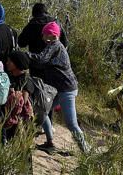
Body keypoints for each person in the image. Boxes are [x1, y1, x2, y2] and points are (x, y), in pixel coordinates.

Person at [8, 22, 87, 154]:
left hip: (66, 89)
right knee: (42, 109)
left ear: (51, 34)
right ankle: (50, 142)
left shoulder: (55, 46)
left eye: (44, 33)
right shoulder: (54, 46)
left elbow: (41, 60)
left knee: (71, 123)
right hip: (57, 87)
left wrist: (25, 55)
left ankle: (86, 151)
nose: (42, 35)